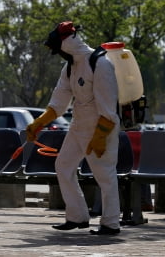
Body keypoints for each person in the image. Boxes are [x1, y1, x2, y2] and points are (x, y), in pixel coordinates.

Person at [26, 21, 121, 235]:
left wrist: (99, 137)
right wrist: (38, 123)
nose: (59, 55)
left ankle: (110, 223)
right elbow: (58, 103)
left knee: (105, 175)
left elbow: (109, 109)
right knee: (64, 166)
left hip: (101, 129)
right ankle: (76, 216)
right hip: (78, 127)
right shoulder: (69, 67)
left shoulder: (101, 64)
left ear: (67, 43)